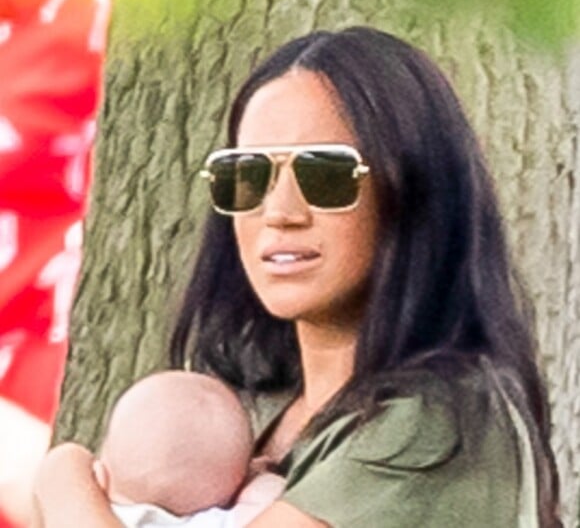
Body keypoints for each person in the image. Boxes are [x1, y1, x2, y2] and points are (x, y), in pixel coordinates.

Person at [33, 27, 562, 527]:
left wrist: (64, 478)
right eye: (249, 175)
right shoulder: (259, 413)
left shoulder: (440, 423)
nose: (280, 211)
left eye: (324, 174)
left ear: (413, 196)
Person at [92, 371, 283, 528]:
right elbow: (269, 499)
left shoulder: (84, 510)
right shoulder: (210, 523)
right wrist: (256, 478)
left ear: (99, 477)